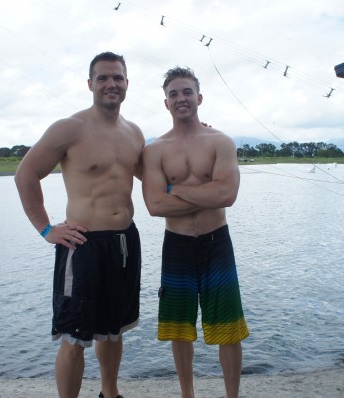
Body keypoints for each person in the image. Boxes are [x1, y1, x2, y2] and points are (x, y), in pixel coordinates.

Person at [14, 51, 144, 398]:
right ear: (90, 84)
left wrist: (192, 132)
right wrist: (46, 229)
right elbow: (26, 173)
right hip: (82, 245)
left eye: (117, 77)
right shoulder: (69, 128)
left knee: (113, 330)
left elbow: (159, 172)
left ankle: (110, 393)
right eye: (103, 78)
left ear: (127, 84)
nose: (111, 84)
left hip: (124, 243)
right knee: (74, 338)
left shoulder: (134, 133)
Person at [142, 66, 249, 398]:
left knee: (228, 327)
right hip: (176, 245)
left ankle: (232, 395)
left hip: (217, 242)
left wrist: (174, 189)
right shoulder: (155, 150)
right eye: (173, 93)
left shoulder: (221, 142)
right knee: (179, 327)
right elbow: (155, 206)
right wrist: (204, 193)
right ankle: (187, 393)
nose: (181, 98)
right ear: (166, 103)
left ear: (199, 97)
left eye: (187, 91)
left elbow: (226, 196)